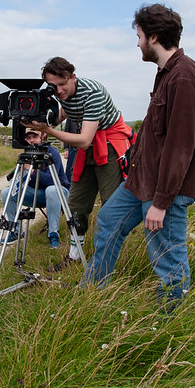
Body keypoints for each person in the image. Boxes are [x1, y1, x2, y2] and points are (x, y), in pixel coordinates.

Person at [83, 4, 195, 307]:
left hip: (163, 190)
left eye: (139, 36)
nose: (137, 42)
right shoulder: (166, 73)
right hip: (141, 180)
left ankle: (170, 323)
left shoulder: (184, 77)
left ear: (153, 37)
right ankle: (92, 292)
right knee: (108, 221)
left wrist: (162, 203)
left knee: (167, 258)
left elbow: (180, 147)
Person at [28, 58, 134, 271]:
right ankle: (74, 256)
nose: (58, 91)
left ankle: (106, 260)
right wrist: (39, 124)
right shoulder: (60, 94)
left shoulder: (92, 93)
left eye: (62, 84)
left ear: (72, 77)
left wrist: (48, 131)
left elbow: (84, 139)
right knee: (76, 205)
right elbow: (65, 112)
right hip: (88, 148)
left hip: (109, 144)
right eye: (53, 86)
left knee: (110, 205)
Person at [0, 128, 70, 249]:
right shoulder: (27, 155)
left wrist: (32, 171)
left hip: (57, 193)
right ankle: (15, 231)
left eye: (35, 137)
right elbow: (20, 180)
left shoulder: (52, 153)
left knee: (51, 190)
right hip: (36, 194)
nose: (32, 141)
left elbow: (52, 181)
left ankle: (53, 233)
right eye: (28, 138)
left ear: (42, 136)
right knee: (7, 192)